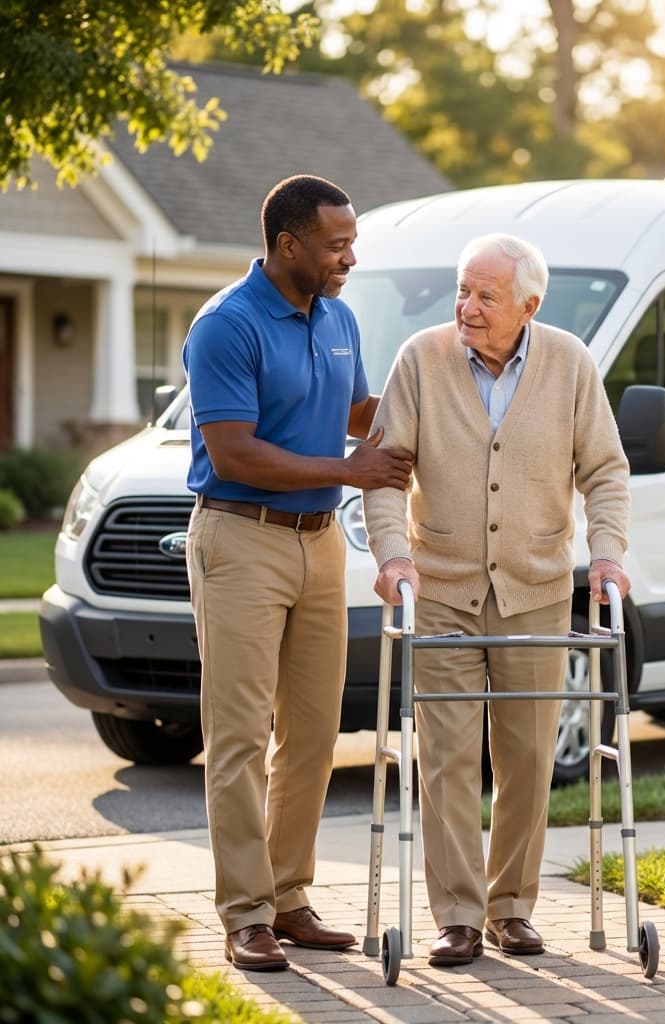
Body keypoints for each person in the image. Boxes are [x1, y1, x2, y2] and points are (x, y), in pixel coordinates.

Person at [363, 233, 631, 967]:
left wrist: (607, 551)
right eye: (462, 290)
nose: (466, 307)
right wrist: (393, 557)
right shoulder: (421, 358)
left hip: (538, 590)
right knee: (446, 757)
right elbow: (386, 471)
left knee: (526, 756)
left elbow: (605, 469)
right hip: (441, 589)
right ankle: (458, 915)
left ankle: (512, 907)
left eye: (485, 295)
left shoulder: (570, 363)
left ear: (528, 305)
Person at [183, 174, 412, 972]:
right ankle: (244, 913)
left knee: (313, 733)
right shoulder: (227, 325)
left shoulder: (339, 316)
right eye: (336, 243)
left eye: (351, 240)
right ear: (288, 246)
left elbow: (356, 412)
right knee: (240, 735)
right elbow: (234, 450)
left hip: (320, 546)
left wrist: (436, 405)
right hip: (240, 539)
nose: (351, 256)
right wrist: (354, 473)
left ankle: (288, 897)